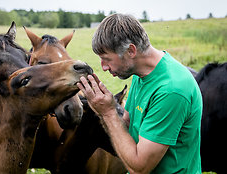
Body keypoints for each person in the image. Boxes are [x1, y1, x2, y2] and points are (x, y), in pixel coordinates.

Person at [77, 13, 202, 174]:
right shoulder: (141, 73)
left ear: (130, 51)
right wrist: (103, 108)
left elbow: (140, 167)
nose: (104, 67)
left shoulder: (171, 91)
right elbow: (128, 126)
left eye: (106, 59)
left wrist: (108, 112)